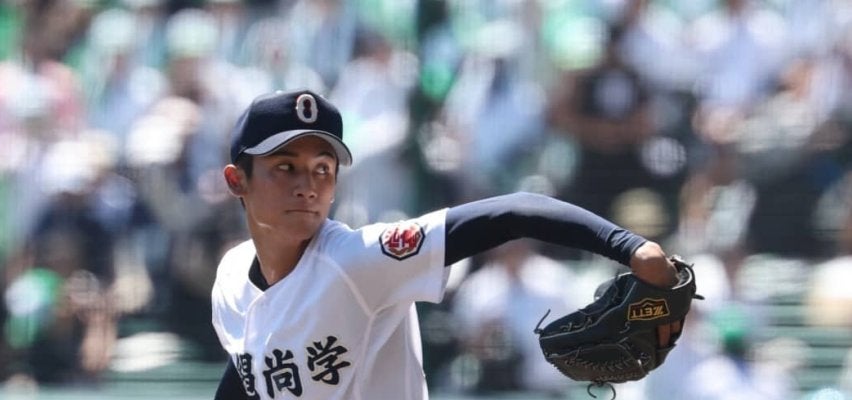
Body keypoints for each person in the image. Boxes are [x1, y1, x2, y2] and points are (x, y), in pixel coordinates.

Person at [210, 88, 681, 399]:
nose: (307, 186)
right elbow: (250, 370)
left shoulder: (355, 261)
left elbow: (515, 211)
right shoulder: (232, 278)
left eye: (322, 169)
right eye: (285, 167)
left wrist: (630, 246)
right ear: (237, 180)